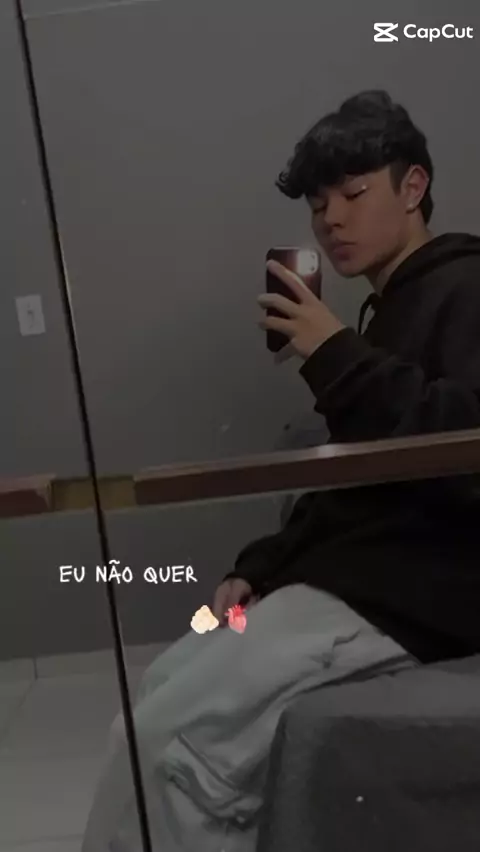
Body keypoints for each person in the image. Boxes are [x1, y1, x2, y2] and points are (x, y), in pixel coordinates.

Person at [82, 90, 480, 852]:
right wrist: (261, 565)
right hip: (351, 578)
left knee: (162, 743)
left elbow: (459, 448)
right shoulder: (383, 315)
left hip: (412, 592)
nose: (331, 220)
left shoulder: (466, 286)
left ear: (414, 186)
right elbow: (356, 483)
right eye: (318, 205)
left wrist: (336, 356)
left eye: (353, 193)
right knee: (160, 686)